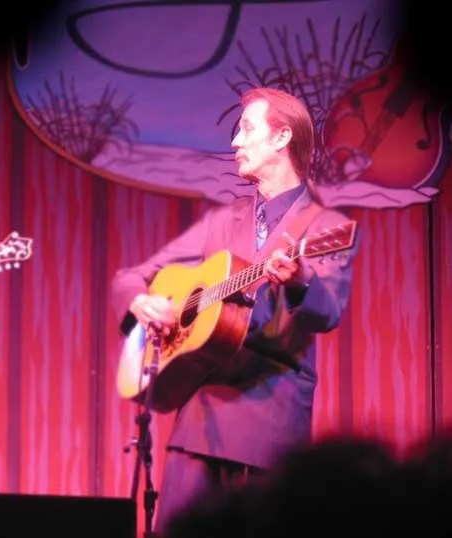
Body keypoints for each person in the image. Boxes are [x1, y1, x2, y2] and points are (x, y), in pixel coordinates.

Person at [110, 87, 358, 535]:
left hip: (270, 417)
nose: (235, 144)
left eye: (246, 130)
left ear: (282, 137)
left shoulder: (325, 227)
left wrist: (300, 280)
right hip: (199, 416)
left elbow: (328, 312)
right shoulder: (223, 222)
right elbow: (132, 276)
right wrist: (139, 301)